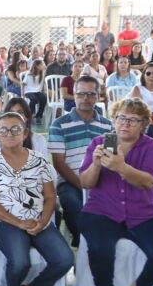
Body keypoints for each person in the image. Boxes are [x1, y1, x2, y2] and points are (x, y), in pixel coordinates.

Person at [77, 97, 153, 286]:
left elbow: (147, 182)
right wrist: (96, 165)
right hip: (101, 211)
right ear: (114, 120)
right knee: (100, 249)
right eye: (121, 118)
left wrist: (120, 166)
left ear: (144, 125)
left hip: (143, 213)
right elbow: (85, 183)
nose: (125, 124)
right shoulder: (98, 143)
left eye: (133, 120)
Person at [0, 112, 73, 286]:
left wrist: (43, 221)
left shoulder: (38, 160)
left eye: (15, 129)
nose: (9, 133)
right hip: (4, 221)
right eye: (3, 130)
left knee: (64, 259)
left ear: (25, 133)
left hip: (37, 220)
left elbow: (50, 196)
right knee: (20, 262)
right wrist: (19, 222)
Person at [48, 75, 113, 247]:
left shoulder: (108, 126)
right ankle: (86, 242)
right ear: (74, 95)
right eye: (81, 93)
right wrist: (82, 184)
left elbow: (111, 158)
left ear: (98, 96)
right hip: (70, 181)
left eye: (91, 94)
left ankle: (94, 241)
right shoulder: (59, 124)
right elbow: (58, 163)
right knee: (71, 203)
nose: (85, 98)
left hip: (101, 180)